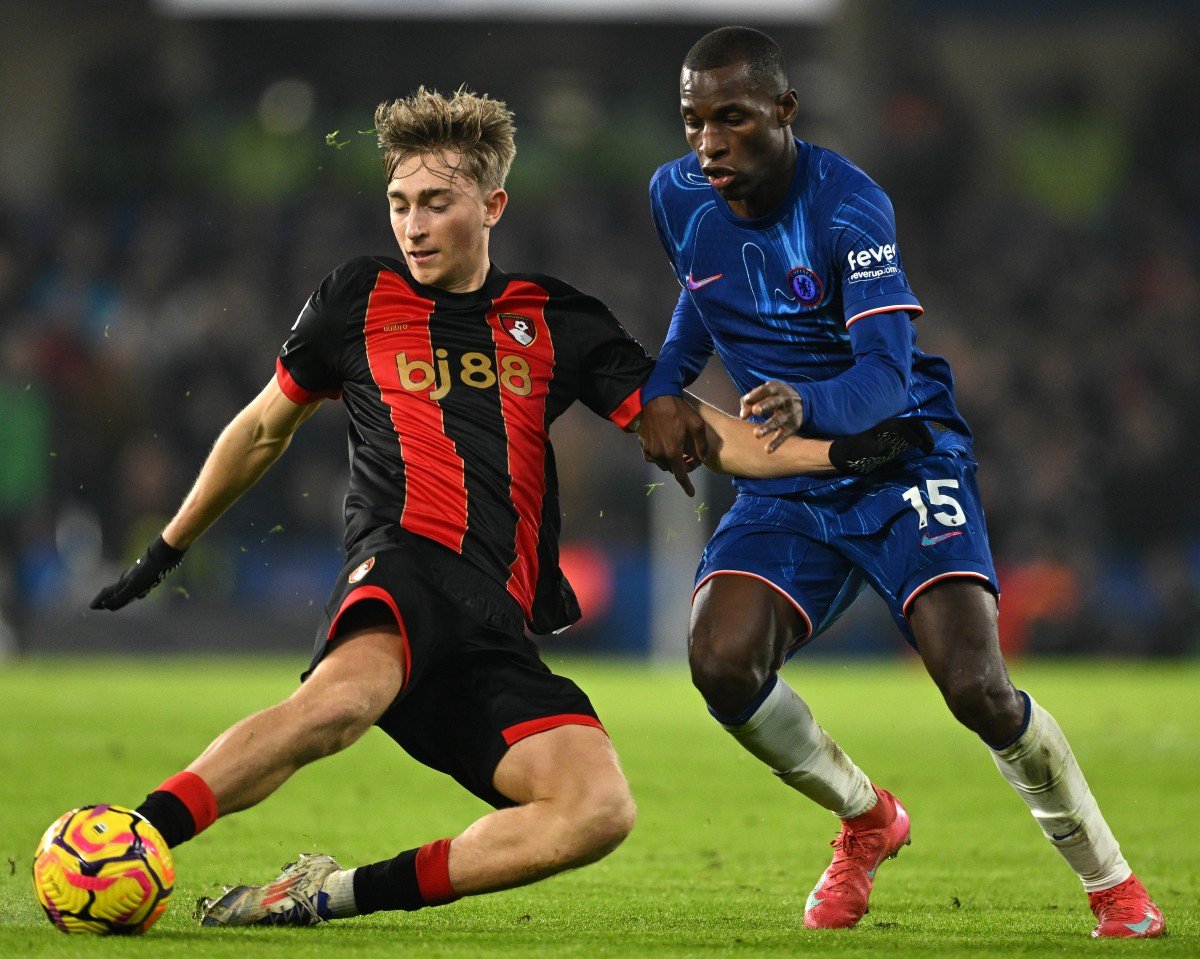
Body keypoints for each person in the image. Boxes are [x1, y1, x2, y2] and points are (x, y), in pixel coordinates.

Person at [88, 85, 922, 929]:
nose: (412, 226)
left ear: (492, 204)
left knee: (596, 810)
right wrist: (166, 547)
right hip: (403, 564)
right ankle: (133, 834)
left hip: (494, 622)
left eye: (436, 203)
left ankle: (321, 896)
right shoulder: (356, 298)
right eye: (399, 204)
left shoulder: (558, 320)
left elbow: (704, 432)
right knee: (340, 704)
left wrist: (843, 453)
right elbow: (262, 428)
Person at [636, 26, 1165, 939]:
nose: (710, 144)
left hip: (897, 455)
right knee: (720, 661)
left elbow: (885, 375)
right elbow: (701, 289)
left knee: (975, 688)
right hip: (792, 473)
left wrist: (804, 400)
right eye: (694, 123)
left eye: (732, 118)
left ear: (785, 111)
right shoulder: (676, 193)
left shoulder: (848, 206)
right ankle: (866, 819)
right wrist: (660, 385)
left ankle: (1115, 886)